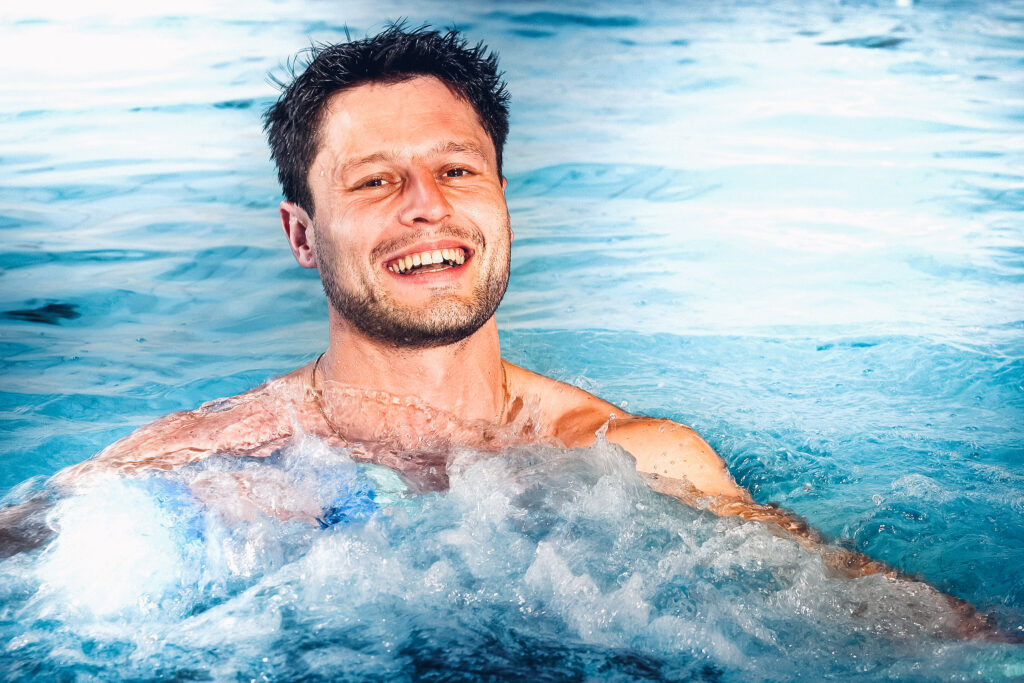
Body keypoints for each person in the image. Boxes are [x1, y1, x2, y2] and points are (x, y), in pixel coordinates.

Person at [13, 26, 990, 627]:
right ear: (301, 234)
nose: (426, 205)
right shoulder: (193, 464)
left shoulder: (639, 458)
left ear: (503, 198)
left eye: (457, 169)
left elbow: (910, 633)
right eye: (374, 180)